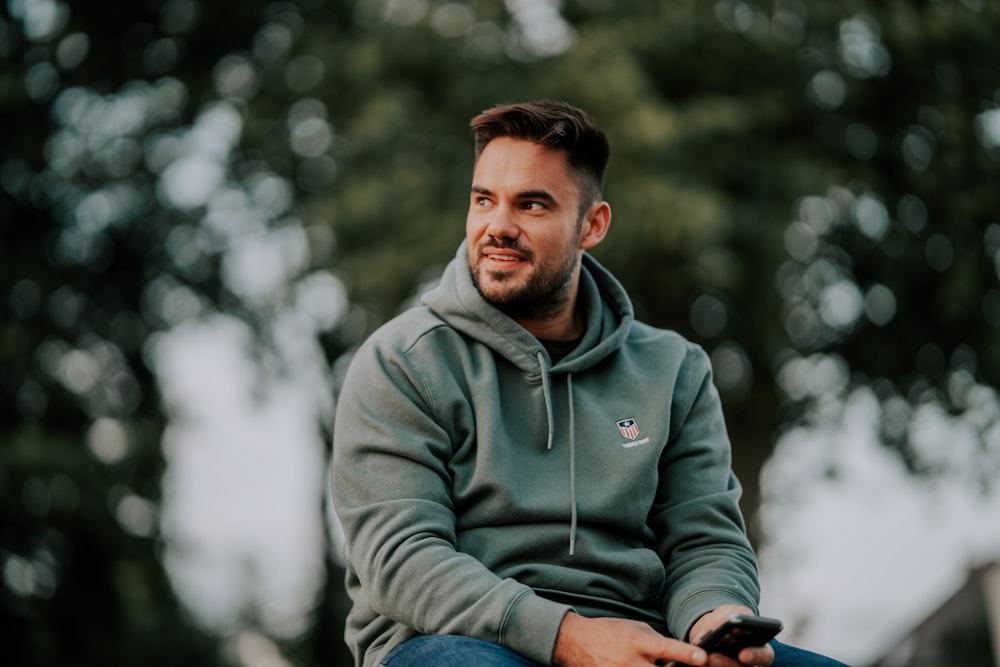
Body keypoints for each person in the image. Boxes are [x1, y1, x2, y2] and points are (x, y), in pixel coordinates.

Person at [332, 101, 847, 667]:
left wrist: (712, 621)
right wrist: (570, 637)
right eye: (484, 200)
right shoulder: (401, 362)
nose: (497, 226)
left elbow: (704, 540)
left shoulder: (675, 369)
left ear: (592, 225)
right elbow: (403, 559)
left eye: (531, 204)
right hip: (460, 642)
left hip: (643, 642)